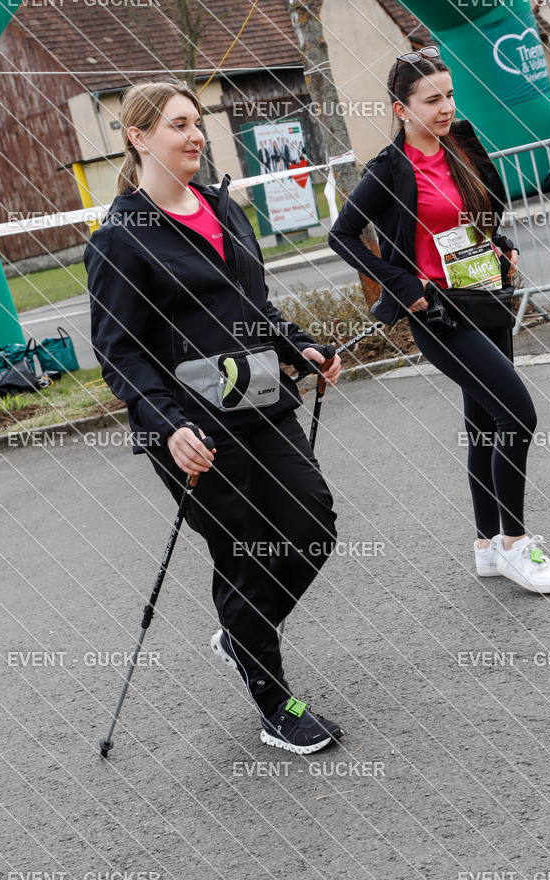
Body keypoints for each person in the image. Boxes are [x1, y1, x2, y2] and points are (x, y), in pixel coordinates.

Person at [85, 80, 344, 754]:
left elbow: (251, 306)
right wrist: (169, 425)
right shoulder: (119, 238)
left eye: (197, 123)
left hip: (261, 400)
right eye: (177, 124)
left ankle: (241, 636)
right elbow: (120, 354)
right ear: (139, 138)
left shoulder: (224, 207)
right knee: (245, 552)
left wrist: (299, 345)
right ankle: (274, 702)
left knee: (312, 522)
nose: (194, 135)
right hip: (192, 429)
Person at [328, 47, 550, 594]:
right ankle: (514, 545)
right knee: (518, 415)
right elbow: (341, 235)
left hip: (487, 297)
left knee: (484, 425)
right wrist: (403, 285)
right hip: (440, 313)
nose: (444, 107)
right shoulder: (387, 170)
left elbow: (481, 215)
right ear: (401, 109)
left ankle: (486, 545)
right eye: (431, 99)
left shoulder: (461, 146)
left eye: (449, 95)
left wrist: (499, 245)